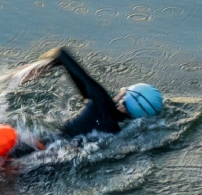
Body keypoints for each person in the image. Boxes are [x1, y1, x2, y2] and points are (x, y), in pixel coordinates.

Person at [10, 46, 164, 149]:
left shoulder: (100, 101)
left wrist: (37, 70)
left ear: (126, 97)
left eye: (124, 91)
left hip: (38, 147)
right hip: (55, 164)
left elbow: (61, 54)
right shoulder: (117, 133)